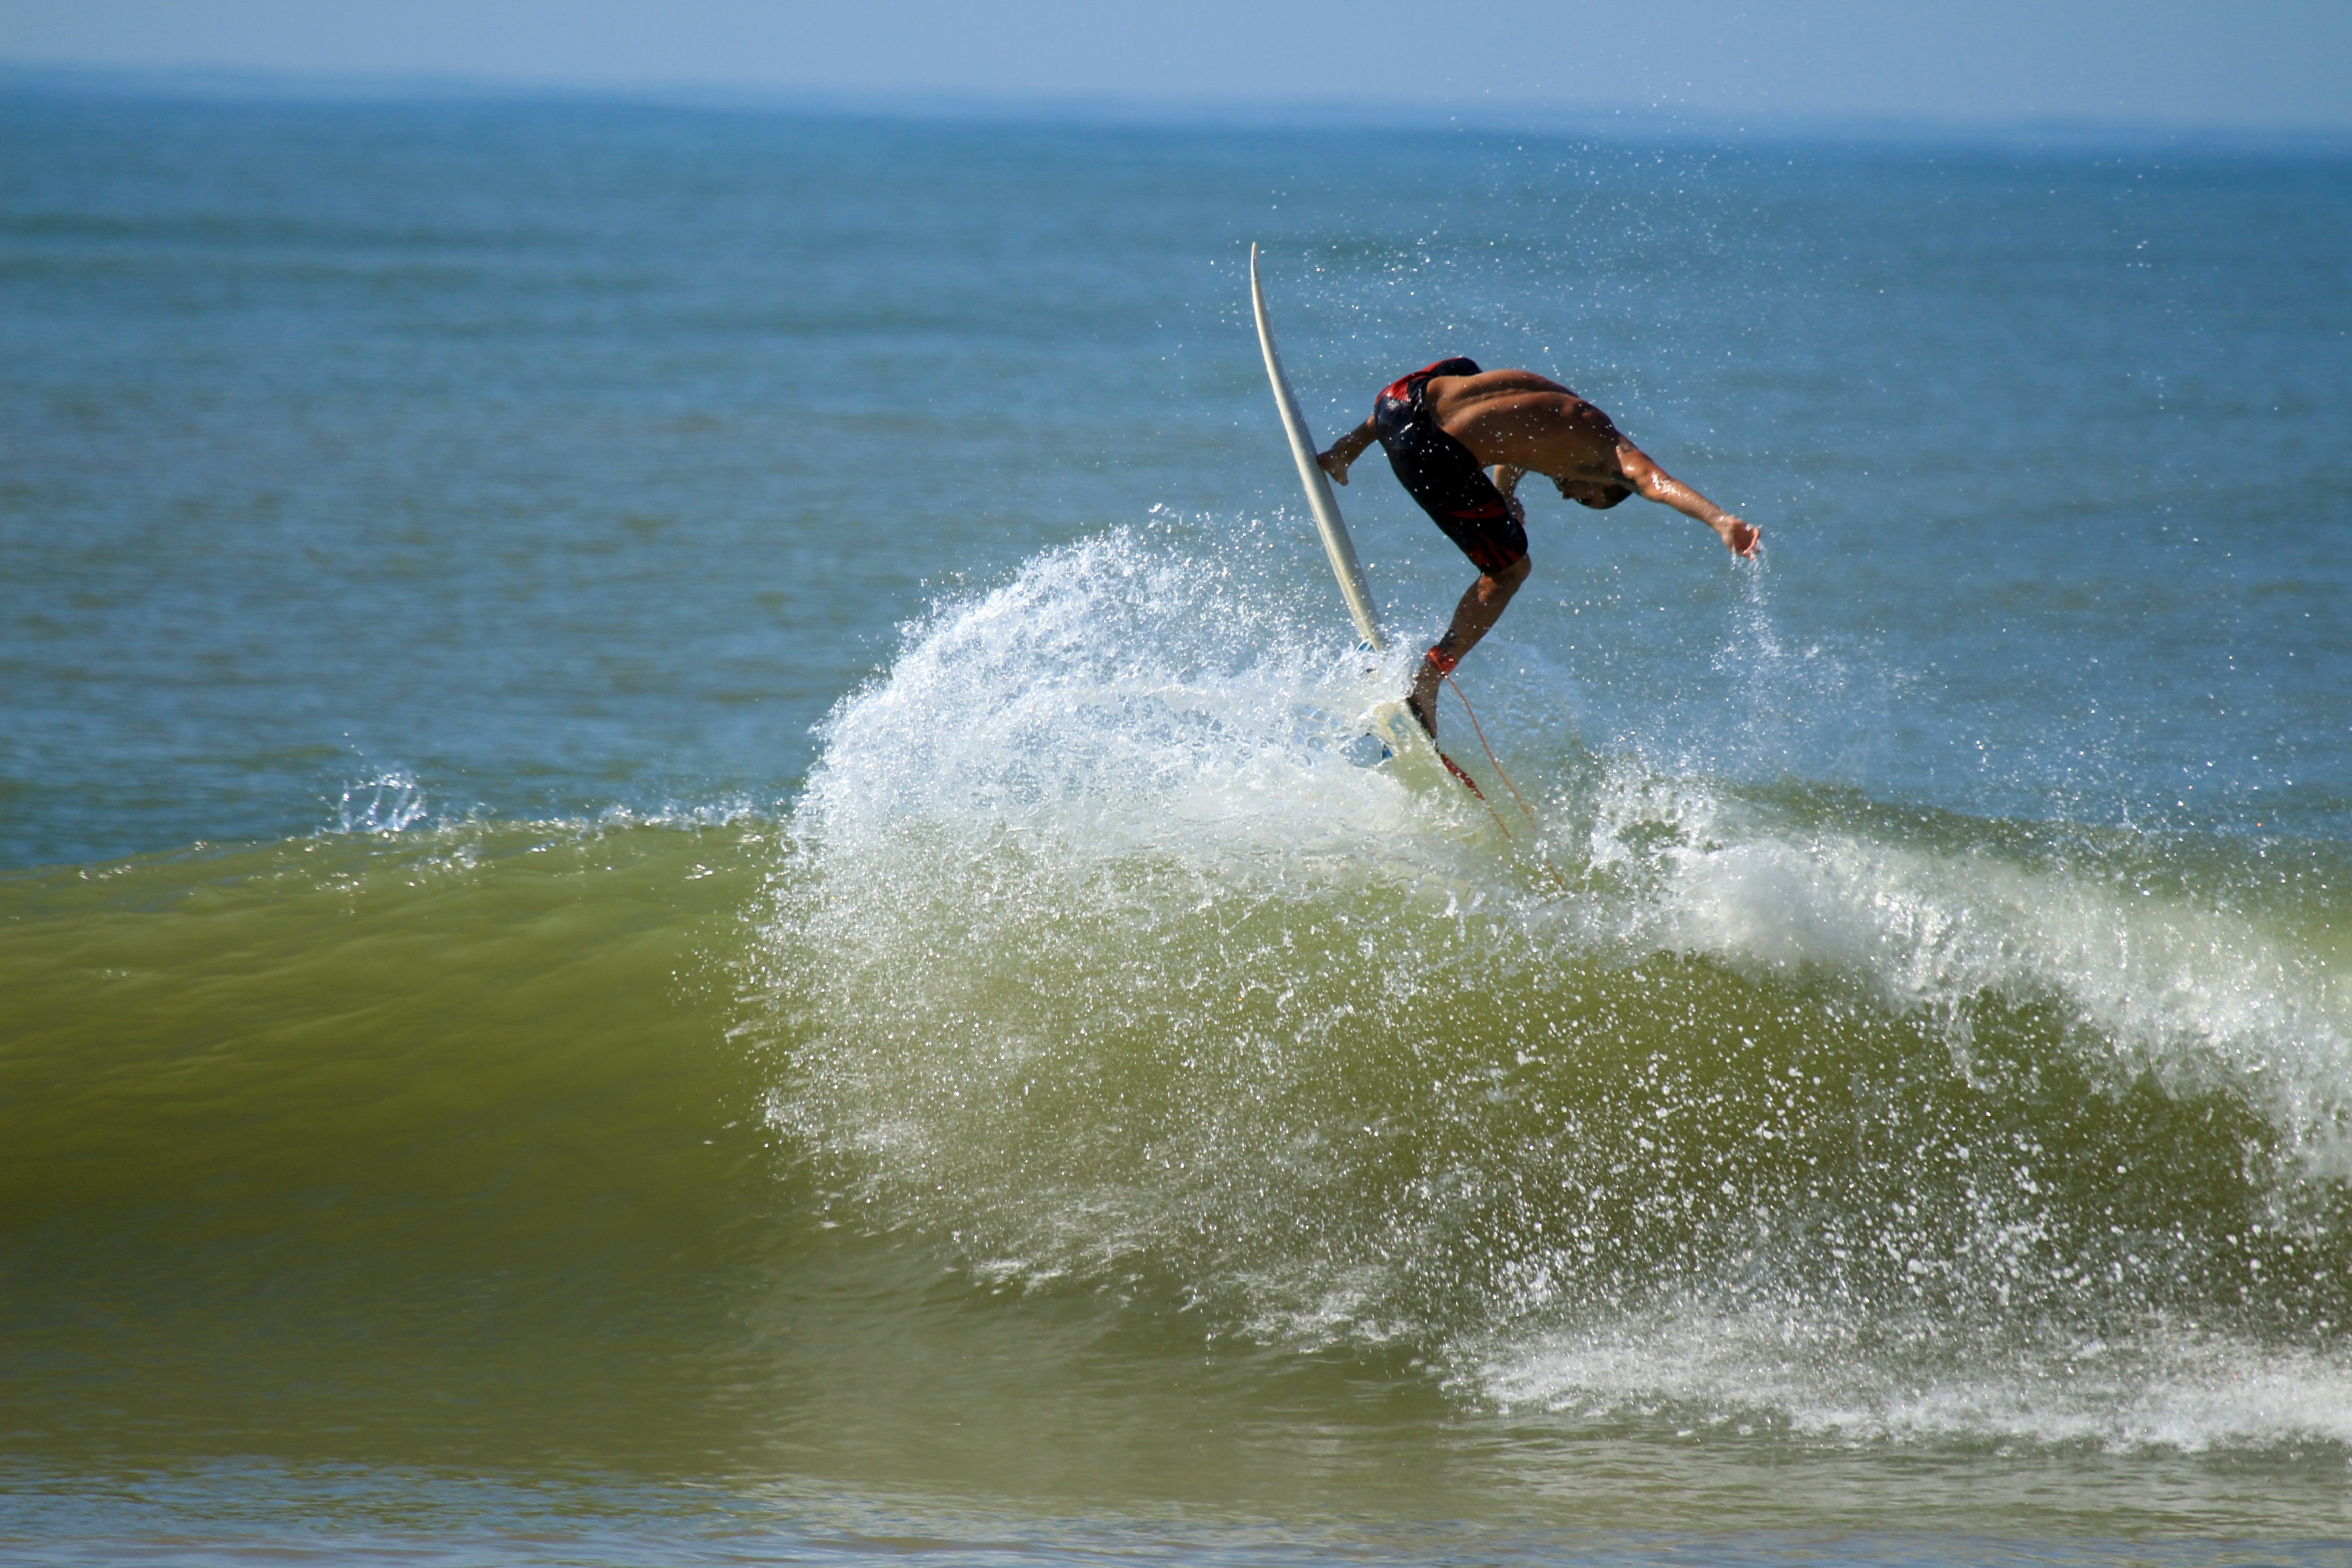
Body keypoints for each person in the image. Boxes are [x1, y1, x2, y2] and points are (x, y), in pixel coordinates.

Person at [1318, 357, 1759, 737]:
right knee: (1511, 570)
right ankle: (1429, 681)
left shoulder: (1566, 410)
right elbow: (1657, 484)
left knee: (1468, 375)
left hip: (1396, 402)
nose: (1568, 497)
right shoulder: (1615, 456)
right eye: (1586, 497)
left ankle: (1346, 448)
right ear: (1608, 482)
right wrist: (1721, 520)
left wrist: (1505, 493)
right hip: (1427, 453)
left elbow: (1516, 440)